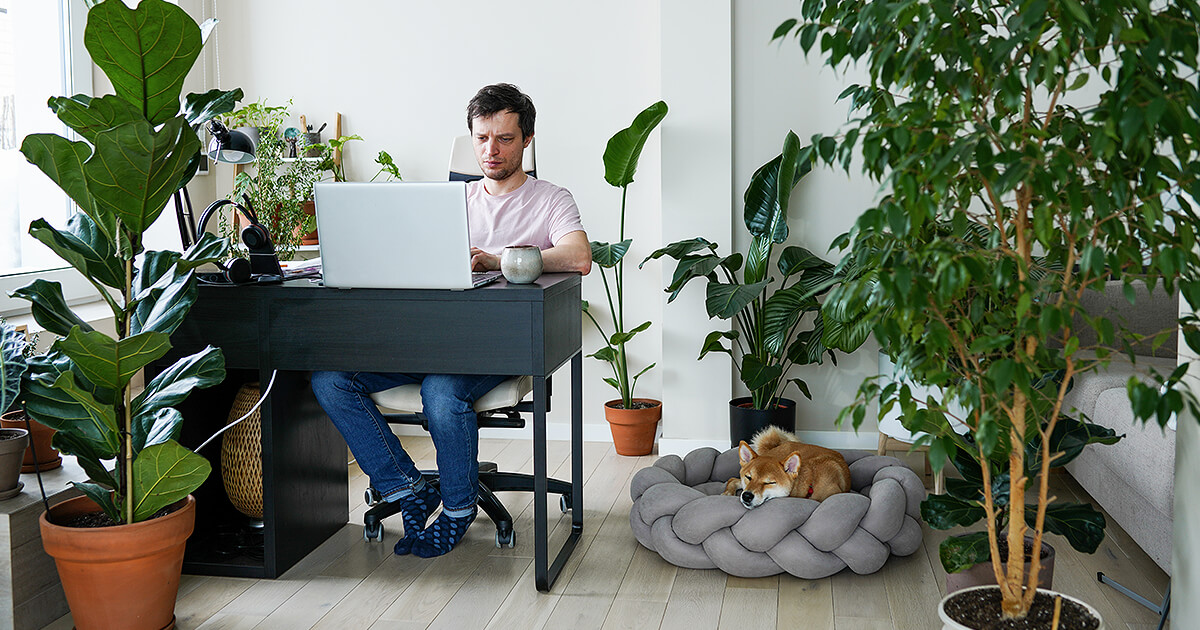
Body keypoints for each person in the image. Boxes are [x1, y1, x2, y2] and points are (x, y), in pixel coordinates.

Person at [310, 84, 591, 558]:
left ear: (527, 140)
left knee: (441, 389)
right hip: (427, 339)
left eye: (504, 138)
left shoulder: (550, 198)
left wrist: (495, 260)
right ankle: (407, 489)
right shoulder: (450, 199)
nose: (491, 149)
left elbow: (578, 255)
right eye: (481, 138)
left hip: (498, 347)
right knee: (331, 379)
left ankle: (458, 509)